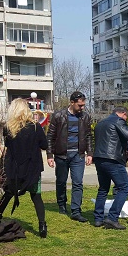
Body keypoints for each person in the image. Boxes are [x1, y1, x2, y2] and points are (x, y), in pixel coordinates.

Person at [0, 98, 49, 238]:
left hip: (15, 167)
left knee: (7, 194)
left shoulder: (8, 127)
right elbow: (44, 145)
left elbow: (8, 146)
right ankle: (42, 225)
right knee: (36, 196)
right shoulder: (36, 127)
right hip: (33, 168)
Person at [46, 91, 92, 222]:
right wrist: (49, 155)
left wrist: (89, 153)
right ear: (72, 103)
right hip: (61, 155)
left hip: (78, 155)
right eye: (80, 105)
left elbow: (88, 136)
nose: (82, 108)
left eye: (83, 105)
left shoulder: (85, 117)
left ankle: (76, 211)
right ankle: (61, 204)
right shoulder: (58, 116)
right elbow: (50, 136)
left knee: (78, 183)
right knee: (61, 181)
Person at [92, 106, 128, 230]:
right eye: (126, 117)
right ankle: (112, 218)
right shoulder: (118, 121)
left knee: (103, 188)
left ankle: (98, 219)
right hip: (112, 159)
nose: (125, 120)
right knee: (125, 187)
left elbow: (118, 140)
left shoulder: (101, 123)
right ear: (123, 114)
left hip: (99, 158)